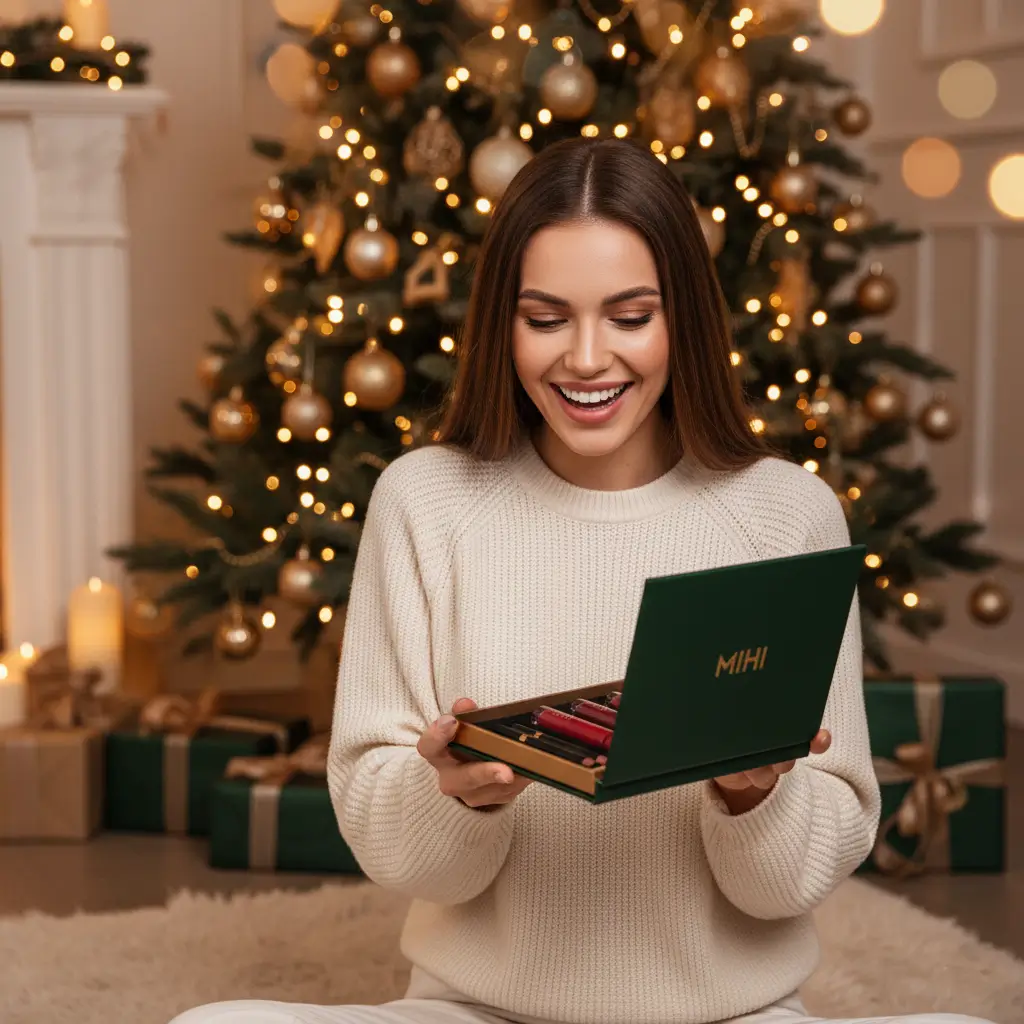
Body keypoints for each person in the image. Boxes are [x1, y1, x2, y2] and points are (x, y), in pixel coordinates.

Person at [171, 138, 992, 1024]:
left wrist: (754, 795)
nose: (588, 359)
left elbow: (792, 884)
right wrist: (455, 796)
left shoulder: (785, 516)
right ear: (503, 323)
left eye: (631, 316)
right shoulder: (425, 503)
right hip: (474, 1011)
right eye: (547, 317)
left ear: (684, 321)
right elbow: (390, 847)